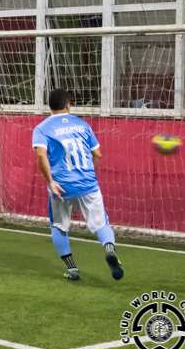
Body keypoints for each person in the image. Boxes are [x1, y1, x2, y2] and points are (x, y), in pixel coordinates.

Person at [32, 89, 123, 282]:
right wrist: (89, 174)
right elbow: (97, 154)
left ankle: (72, 269)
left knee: (59, 226)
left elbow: (40, 155)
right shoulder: (82, 124)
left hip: (61, 187)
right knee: (101, 224)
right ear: (68, 105)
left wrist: (50, 182)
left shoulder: (41, 128)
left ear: (50, 106)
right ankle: (109, 250)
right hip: (87, 183)